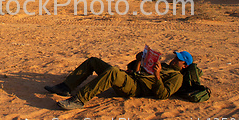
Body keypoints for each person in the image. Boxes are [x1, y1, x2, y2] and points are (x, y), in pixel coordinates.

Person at [44, 50, 193, 110]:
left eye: (178, 60)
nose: (174, 60)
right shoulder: (166, 65)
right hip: (132, 78)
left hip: (136, 88)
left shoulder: (177, 77)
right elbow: (138, 72)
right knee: (93, 61)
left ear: (185, 66)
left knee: (113, 72)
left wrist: (158, 76)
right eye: (175, 57)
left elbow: (163, 95)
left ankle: (79, 100)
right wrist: (141, 60)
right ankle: (65, 87)